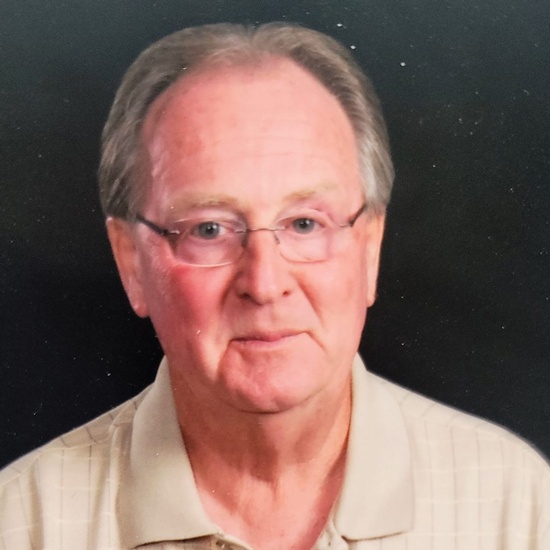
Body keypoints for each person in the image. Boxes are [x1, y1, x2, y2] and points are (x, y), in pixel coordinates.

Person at [0, 22, 548, 550]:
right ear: (132, 263)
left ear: (370, 248)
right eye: (209, 229)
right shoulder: (21, 524)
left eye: (305, 223)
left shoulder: (517, 508)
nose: (264, 284)